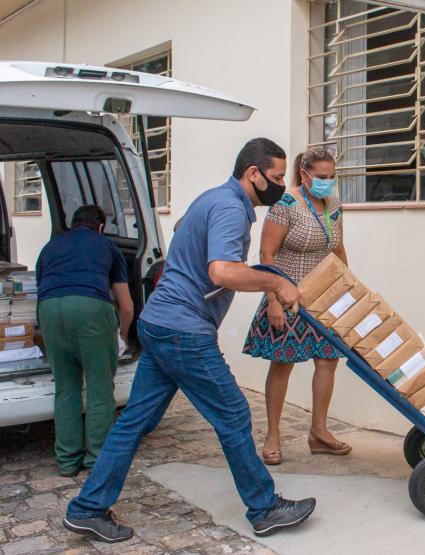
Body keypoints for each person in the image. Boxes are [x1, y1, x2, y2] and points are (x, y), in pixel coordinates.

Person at [64, 138, 317, 543]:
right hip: (184, 331)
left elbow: (184, 227)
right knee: (233, 414)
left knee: (134, 420)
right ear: (253, 173)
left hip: (158, 322)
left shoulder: (212, 199)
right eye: (275, 177)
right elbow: (221, 271)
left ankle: (87, 508)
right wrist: (276, 283)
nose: (280, 186)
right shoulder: (231, 208)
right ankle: (264, 508)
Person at [244, 149, 351, 464]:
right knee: (282, 364)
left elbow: (339, 250)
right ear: (304, 175)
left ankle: (319, 432)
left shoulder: (334, 206)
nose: (327, 182)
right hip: (286, 296)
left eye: (331, 177)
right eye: (321, 177)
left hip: (322, 297)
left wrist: (348, 289)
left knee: (328, 360)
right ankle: (272, 436)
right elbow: (267, 254)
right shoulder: (284, 205)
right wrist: (273, 300)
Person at [36, 205, 134, 477]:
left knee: (65, 388)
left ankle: (67, 461)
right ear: (100, 227)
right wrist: (123, 335)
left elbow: (43, 287)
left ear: (73, 224)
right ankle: (96, 460)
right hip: (90, 309)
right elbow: (126, 306)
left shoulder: (51, 247)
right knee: (99, 387)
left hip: (49, 310)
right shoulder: (107, 246)